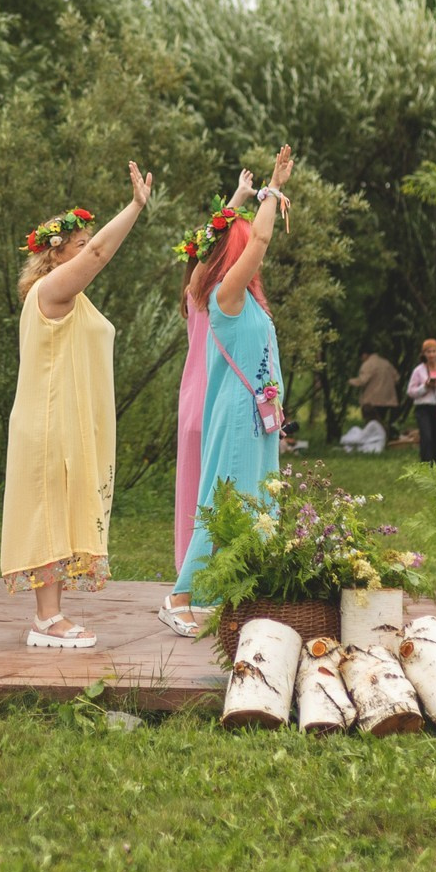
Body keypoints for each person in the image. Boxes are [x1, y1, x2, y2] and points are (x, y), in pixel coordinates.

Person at [0, 162, 155, 650]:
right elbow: (102, 251)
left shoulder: (72, 297)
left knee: (62, 511)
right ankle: (46, 620)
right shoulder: (52, 291)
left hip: (64, 421)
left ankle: (52, 614)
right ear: (57, 251)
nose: (86, 245)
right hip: (47, 423)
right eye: (78, 242)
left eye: (86, 239)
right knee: (49, 513)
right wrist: (133, 206)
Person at [169, 145, 295, 632]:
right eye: (243, 243)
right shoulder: (225, 295)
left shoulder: (251, 301)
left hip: (258, 418)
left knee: (260, 502)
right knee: (224, 500)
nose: (252, 248)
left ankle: (244, 594)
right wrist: (270, 189)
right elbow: (261, 239)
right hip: (234, 415)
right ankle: (182, 598)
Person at [173, 170, 256, 578]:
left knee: (205, 489)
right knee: (210, 491)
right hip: (211, 399)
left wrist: (237, 200)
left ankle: (209, 571)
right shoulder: (207, 293)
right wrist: (235, 203)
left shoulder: (212, 295)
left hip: (201, 400)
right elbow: (210, 248)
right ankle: (200, 575)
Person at [350, 348, 402, 444]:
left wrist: (351, 381)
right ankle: (385, 440)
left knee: (372, 423)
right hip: (388, 399)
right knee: (381, 421)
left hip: (372, 400)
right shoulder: (386, 363)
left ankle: (373, 442)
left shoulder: (368, 364)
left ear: (364, 355)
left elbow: (362, 381)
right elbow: (397, 378)